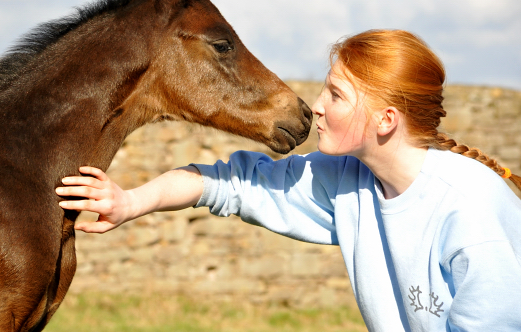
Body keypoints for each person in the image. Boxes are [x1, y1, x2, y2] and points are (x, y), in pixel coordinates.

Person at [56, 29, 521, 331]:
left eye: (335, 95)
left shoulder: (472, 209)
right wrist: (131, 201)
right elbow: (227, 184)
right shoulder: (347, 183)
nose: (315, 105)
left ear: (385, 120)